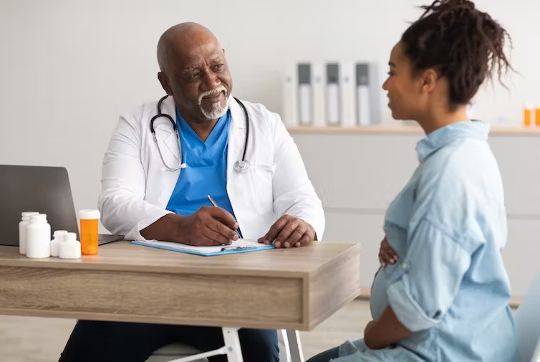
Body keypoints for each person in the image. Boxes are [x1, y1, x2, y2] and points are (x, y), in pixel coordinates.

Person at [58, 22, 324, 362]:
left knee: (258, 353)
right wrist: (180, 227)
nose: (212, 83)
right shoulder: (137, 125)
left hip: (238, 289)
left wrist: (303, 222)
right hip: (147, 288)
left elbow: (302, 198)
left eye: (217, 67)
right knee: (85, 353)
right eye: (192, 74)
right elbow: (114, 202)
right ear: (166, 82)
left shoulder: (264, 125)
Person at [308, 0, 518, 361]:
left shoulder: (450, 173)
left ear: (427, 80)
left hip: (439, 349)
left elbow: (420, 305)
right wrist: (405, 250)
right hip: (445, 337)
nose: (386, 84)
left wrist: (373, 335)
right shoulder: (465, 154)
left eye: (393, 71)